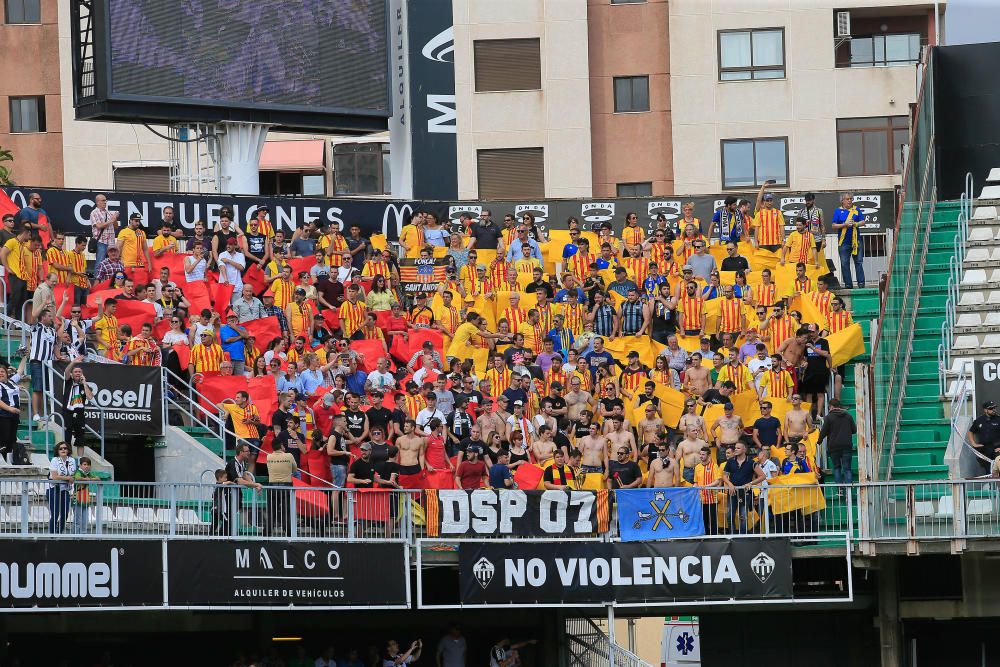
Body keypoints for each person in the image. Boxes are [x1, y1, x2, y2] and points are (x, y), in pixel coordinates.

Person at [722, 441, 763, 534]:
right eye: (735, 448)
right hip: (732, 491)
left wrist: (751, 483)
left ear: (744, 449)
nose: (735, 449)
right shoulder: (730, 461)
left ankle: (743, 536)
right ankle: (732, 534)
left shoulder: (751, 462)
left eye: (738, 448)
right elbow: (724, 476)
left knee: (743, 515)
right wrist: (730, 484)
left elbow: (762, 476)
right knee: (730, 515)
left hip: (746, 492)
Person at [820, 398, 857, 487]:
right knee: (847, 469)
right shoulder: (848, 416)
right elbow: (854, 430)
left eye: (829, 407)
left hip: (834, 447)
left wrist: (819, 440)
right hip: (846, 446)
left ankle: (840, 490)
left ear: (831, 407)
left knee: (837, 468)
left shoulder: (828, 417)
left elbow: (824, 432)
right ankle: (849, 491)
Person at [831, 193, 865, 289]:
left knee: (858, 262)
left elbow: (863, 222)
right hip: (844, 242)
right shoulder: (838, 211)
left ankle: (861, 283)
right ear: (842, 201)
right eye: (847, 199)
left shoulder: (856, 209)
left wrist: (855, 224)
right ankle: (848, 284)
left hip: (856, 241)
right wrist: (844, 224)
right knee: (844, 263)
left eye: (851, 199)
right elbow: (833, 225)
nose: (850, 200)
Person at [61, 361, 94, 458]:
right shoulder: (68, 381)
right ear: (72, 374)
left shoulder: (84, 386)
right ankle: (68, 458)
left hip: (80, 414)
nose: (78, 373)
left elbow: (90, 397)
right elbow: (66, 371)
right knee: (67, 437)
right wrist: (73, 362)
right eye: (75, 371)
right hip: (68, 413)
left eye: (79, 372)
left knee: (81, 438)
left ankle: (80, 460)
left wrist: (84, 383)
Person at [48, 441, 76, 533]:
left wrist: (69, 479)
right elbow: (55, 476)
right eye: (61, 448)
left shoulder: (72, 460)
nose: (63, 450)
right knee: (55, 514)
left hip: (65, 490)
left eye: (65, 448)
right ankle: (52, 535)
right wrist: (67, 478)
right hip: (54, 489)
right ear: (57, 451)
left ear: (68, 450)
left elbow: (73, 476)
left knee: (65, 514)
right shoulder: (54, 460)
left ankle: (59, 533)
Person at [968, 401, 1000, 474]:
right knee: (988, 472)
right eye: (991, 408)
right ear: (985, 410)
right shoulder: (979, 420)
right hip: (985, 449)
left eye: (994, 408)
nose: (994, 410)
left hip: (997, 449)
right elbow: (970, 432)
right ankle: (991, 485)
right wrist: (973, 443)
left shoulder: (999, 419)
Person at [72, 456, 99, 534]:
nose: (87, 466)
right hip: (77, 500)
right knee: (77, 521)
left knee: (85, 521)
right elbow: (77, 478)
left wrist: (89, 479)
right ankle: (75, 538)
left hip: (86, 501)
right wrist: (88, 479)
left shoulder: (89, 473)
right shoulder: (78, 472)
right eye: (84, 464)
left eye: (88, 465)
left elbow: (98, 478)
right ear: (80, 465)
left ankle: (83, 538)